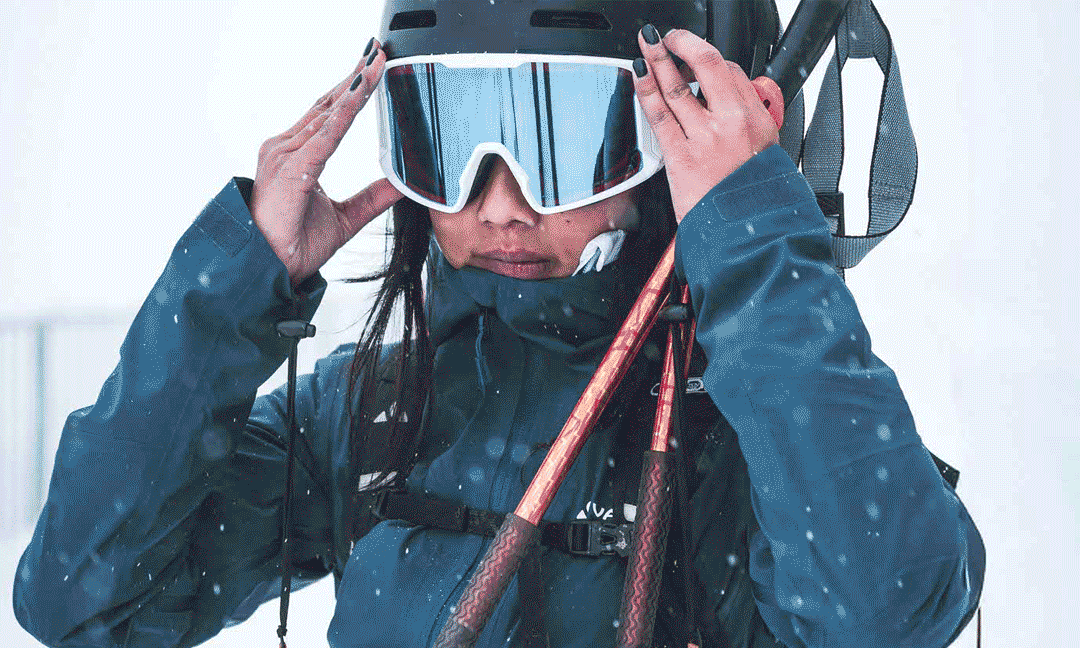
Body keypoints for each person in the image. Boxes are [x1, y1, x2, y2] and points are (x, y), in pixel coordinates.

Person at [13, 1, 984, 647]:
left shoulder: (769, 440)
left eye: (560, 141)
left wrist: (754, 238)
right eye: (449, 141)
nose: (503, 206)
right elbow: (83, 600)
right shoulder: (379, 414)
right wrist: (232, 291)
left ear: (681, 141)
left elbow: (884, 613)